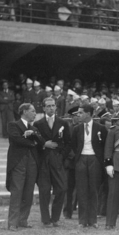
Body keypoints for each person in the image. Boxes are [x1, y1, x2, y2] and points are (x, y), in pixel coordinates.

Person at [5, 103, 44, 231]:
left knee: (28, 193)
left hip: (32, 162)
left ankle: (22, 220)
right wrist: (29, 138)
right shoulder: (13, 125)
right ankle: (12, 223)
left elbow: (41, 142)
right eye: (32, 111)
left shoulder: (34, 128)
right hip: (19, 162)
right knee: (17, 192)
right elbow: (17, 139)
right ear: (24, 111)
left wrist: (32, 136)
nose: (34, 113)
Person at [34, 97, 72, 227]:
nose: (51, 108)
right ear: (43, 108)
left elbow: (68, 143)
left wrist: (61, 156)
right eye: (48, 106)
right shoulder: (38, 124)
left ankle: (55, 218)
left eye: (53, 106)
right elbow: (35, 143)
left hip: (57, 160)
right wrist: (45, 145)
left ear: (56, 107)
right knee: (44, 191)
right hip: (44, 161)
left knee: (61, 188)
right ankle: (46, 219)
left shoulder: (63, 123)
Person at [72, 103, 108, 228]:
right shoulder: (76, 129)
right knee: (81, 190)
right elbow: (73, 145)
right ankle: (82, 221)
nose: (78, 115)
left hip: (95, 160)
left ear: (88, 114)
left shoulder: (100, 128)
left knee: (94, 190)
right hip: (81, 159)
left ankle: (93, 220)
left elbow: (104, 145)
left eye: (81, 113)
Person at [62, 106, 81, 219]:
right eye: (77, 115)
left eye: (80, 115)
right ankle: (67, 212)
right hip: (70, 162)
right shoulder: (67, 128)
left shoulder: (84, 128)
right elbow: (66, 144)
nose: (79, 117)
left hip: (81, 161)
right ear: (72, 117)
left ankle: (78, 211)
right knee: (68, 188)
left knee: (81, 188)